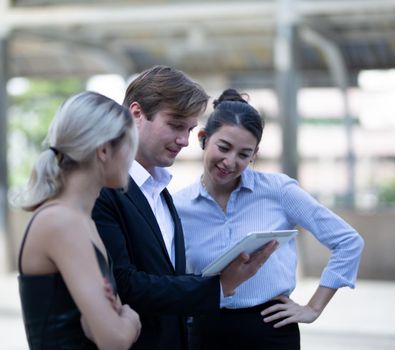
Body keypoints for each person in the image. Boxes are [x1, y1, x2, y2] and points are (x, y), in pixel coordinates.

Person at [91, 66, 277, 350]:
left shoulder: (162, 194)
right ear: (136, 113)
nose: (185, 140)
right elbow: (124, 284)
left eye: (190, 129)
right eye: (176, 125)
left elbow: (165, 280)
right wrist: (218, 285)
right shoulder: (103, 190)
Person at [173, 88, 365, 350]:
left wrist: (313, 307)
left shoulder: (278, 191)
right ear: (204, 138)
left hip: (271, 331)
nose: (230, 162)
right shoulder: (177, 207)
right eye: (224, 147)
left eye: (244, 154)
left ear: (255, 154)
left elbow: (348, 241)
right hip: (204, 332)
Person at [14, 91, 142, 350]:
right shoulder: (61, 222)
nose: (132, 157)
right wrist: (131, 318)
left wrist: (114, 319)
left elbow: (101, 327)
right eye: (130, 144)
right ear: (104, 150)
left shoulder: (80, 220)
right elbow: (114, 340)